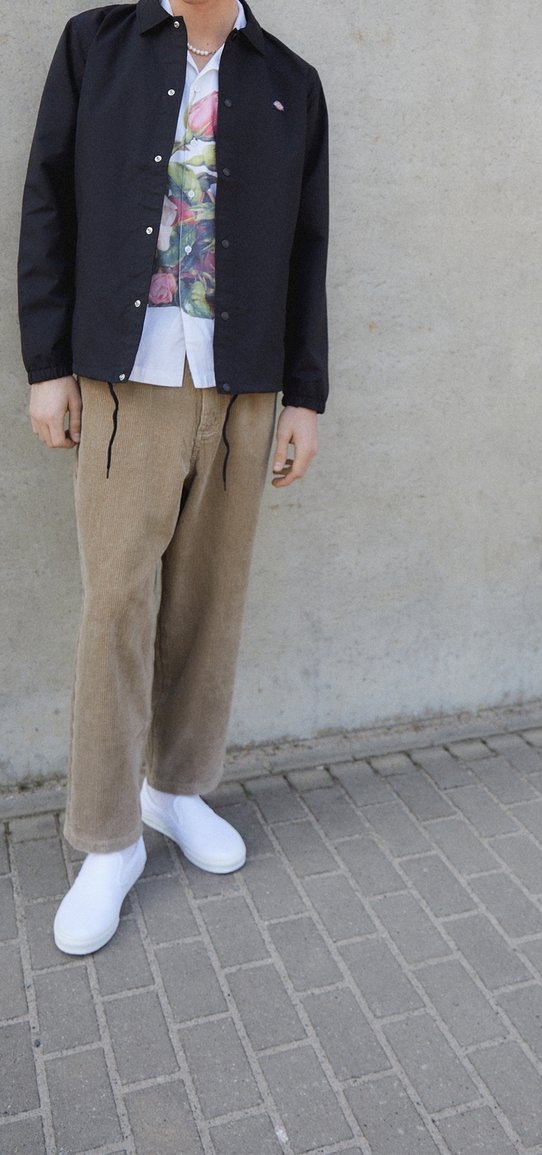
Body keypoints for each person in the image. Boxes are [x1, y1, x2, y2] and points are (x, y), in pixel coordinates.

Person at [18, 0, 328, 954]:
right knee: (116, 603)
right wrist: (47, 365)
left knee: (209, 600)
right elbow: (48, 200)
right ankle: (108, 838)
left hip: (242, 384)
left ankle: (175, 789)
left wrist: (305, 397)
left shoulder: (290, 81)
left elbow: (310, 248)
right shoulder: (96, 45)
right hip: (124, 374)